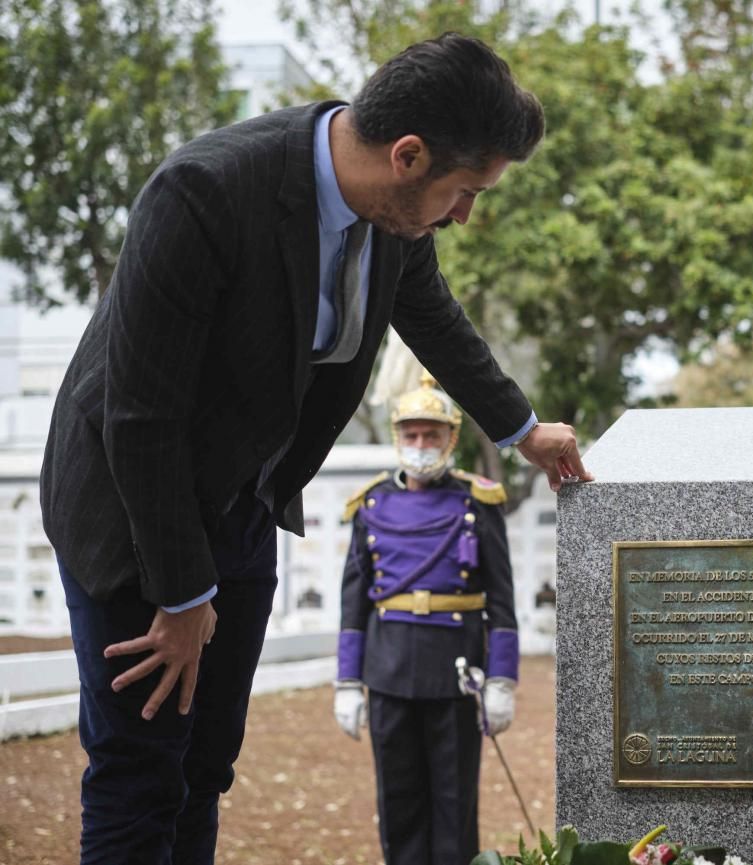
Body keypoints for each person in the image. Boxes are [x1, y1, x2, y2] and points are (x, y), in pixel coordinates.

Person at [40, 33, 591, 865]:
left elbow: (432, 315)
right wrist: (185, 597)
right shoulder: (204, 193)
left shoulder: (396, 215)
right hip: (128, 507)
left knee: (203, 768)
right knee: (139, 772)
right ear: (408, 155)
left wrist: (521, 429)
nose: (465, 215)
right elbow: (140, 418)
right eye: (466, 190)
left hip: (242, 502)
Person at [332, 373, 517, 865]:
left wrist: (502, 678)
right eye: (411, 435)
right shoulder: (370, 505)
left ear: (451, 439)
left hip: (456, 671)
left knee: (455, 802)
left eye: (431, 435)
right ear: (398, 438)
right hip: (388, 669)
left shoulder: (478, 502)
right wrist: (347, 681)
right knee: (398, 800)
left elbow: (502, 598)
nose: (420, 445)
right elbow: (354, 601)